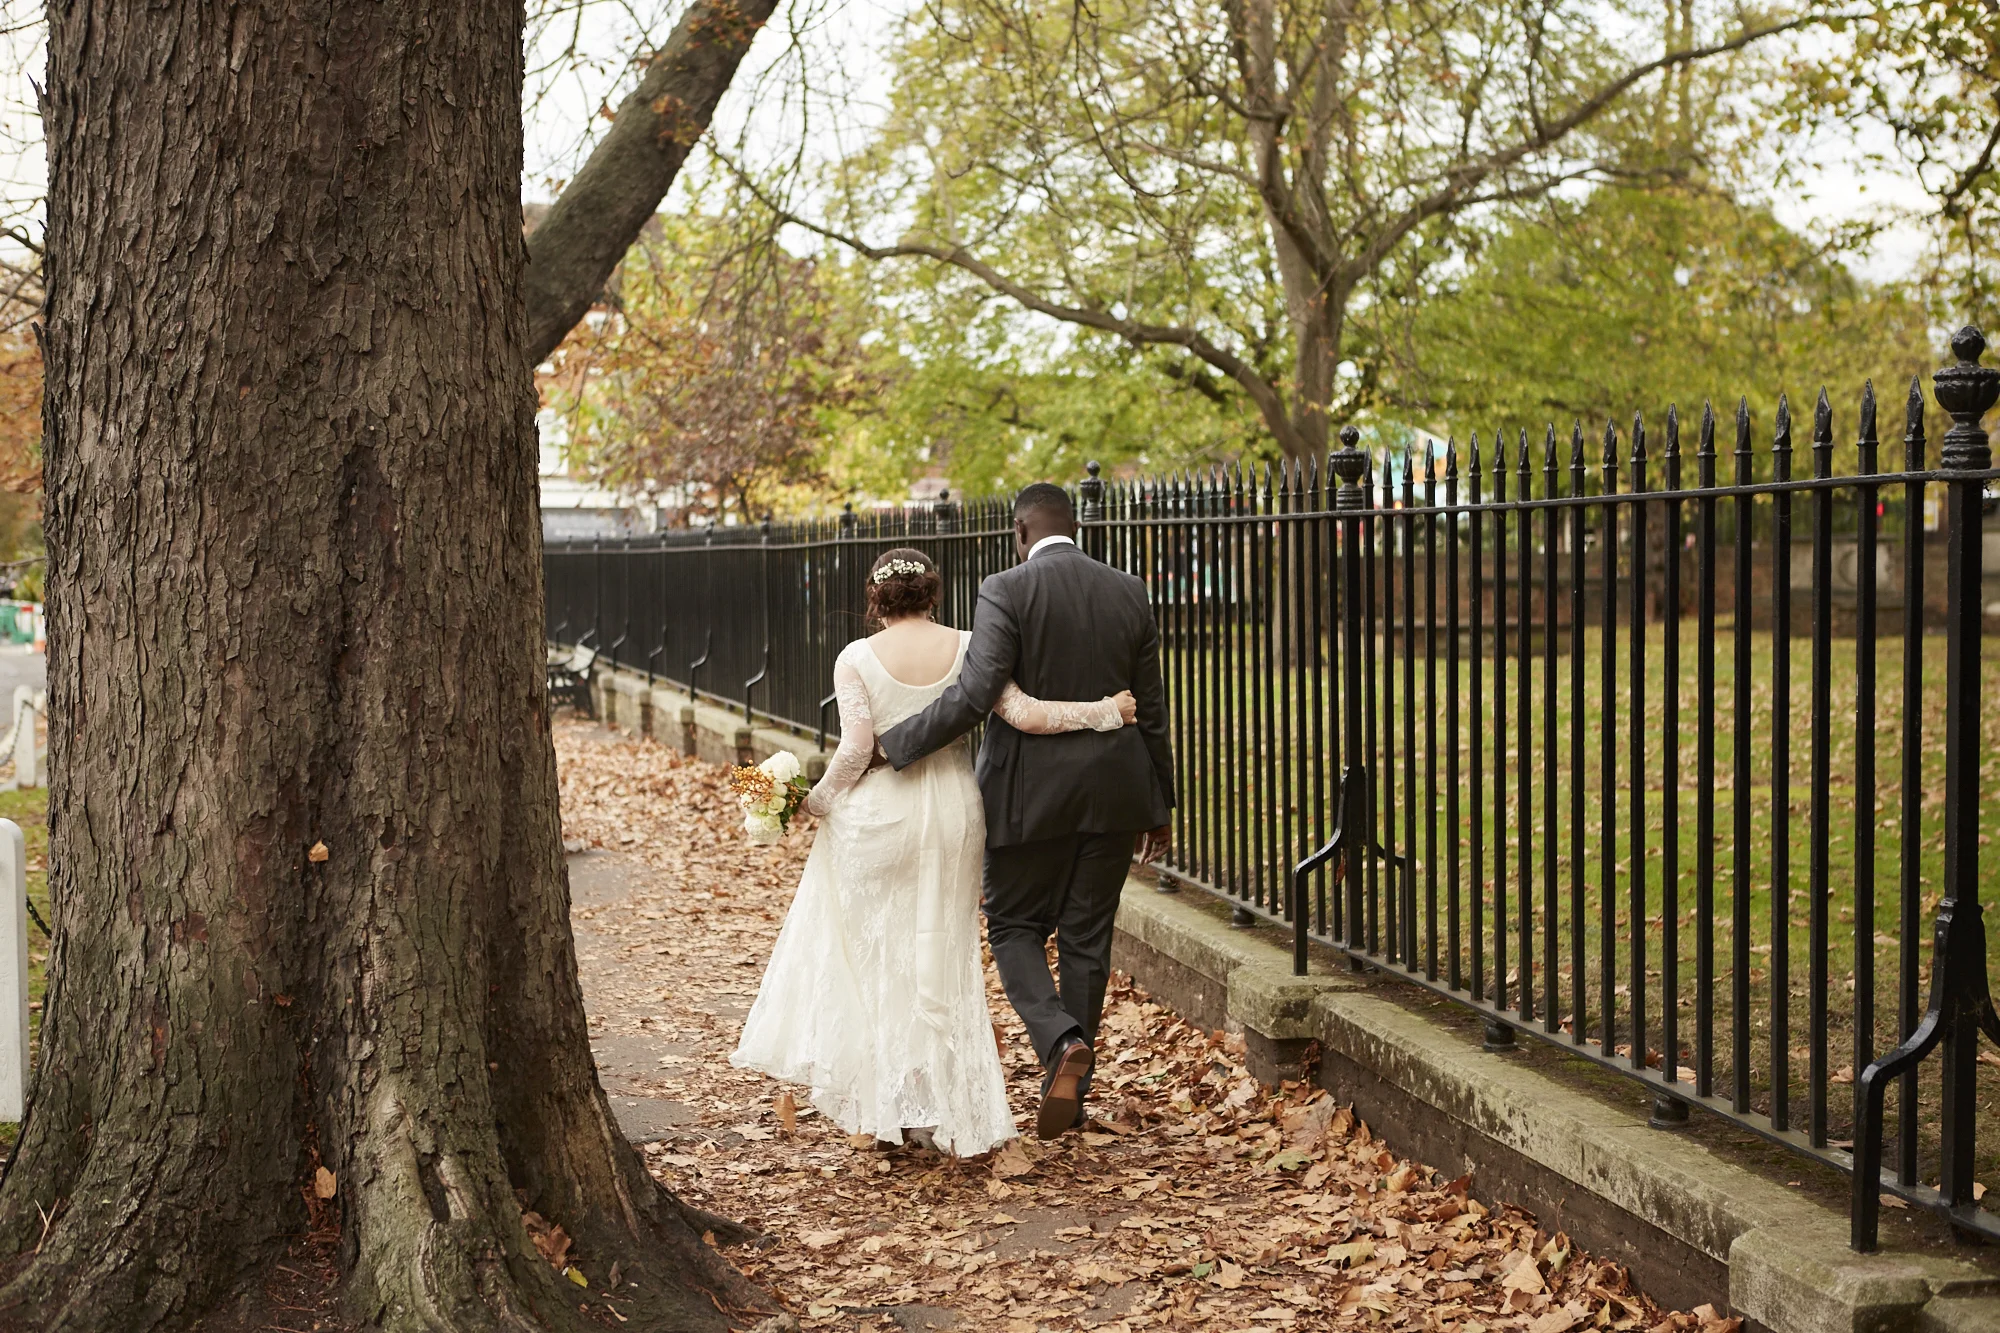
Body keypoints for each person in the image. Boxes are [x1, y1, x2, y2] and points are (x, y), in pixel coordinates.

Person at [731, 546, 1139, 1155]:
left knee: (877, 959)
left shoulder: (855, 657)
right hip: (954, 811)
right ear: (934, 594)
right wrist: (1106, 711)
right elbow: (1024, 714)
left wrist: (811, 802)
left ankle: (884, 1109)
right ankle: (939, 1103)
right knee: (943, 953)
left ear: (875, 600)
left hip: (879, 815)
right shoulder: (971, 642)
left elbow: (854, 750)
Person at [877, 483, 1174, 1140]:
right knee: (1086, 941)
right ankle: (1073, 1087)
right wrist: (1161, 804)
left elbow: (976, 691)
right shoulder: (1128, 590)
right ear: (1074, 524)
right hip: (1116, 793)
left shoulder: (1006, 589)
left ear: (1020, 531)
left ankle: (1060, 1039)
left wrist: (893, 745)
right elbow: (1150, 706)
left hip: (1027, 795)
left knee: (1012, 925)